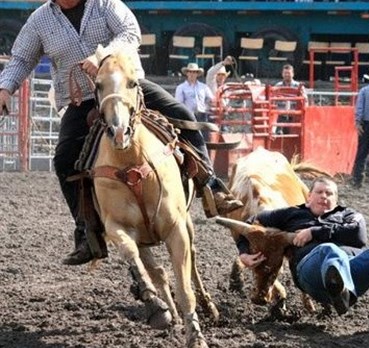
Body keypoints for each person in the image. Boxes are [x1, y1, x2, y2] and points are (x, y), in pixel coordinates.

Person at [0, 0, 242, 266]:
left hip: (126, 89)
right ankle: (86, 232)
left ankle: (211, 186)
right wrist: (4, 88)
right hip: (81, 100)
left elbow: (129, 32)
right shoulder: (40, 20)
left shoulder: (105, 4)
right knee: (64, 159)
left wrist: (101, 56)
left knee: (184, 116)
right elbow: (22, 58)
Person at [237, 177, 369, 315]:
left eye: (329, 194)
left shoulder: (348, 214)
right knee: (329, 249)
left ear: (336, 201)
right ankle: (341, 291)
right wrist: (244, 254)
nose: (324, 197)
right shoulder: (291, 213)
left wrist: (314, 232)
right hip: (310, 272)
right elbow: (247, 226)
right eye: (319, 192)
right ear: (308, 197)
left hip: (353, 269)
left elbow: (358, 234)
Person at [174, 63, 210, 140]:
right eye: (190, 72)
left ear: (197, 74)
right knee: (191, 138)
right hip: (188, 115)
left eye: (194, 72)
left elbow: (211, 99)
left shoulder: (203, 87)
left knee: (204, 138)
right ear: (187, 73)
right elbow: (179, 103)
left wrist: (206, 107)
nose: (192, 74)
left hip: (202, 115)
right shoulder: (181, 88)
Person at [273, 64, 308, 134]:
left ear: (293, 74)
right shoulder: (277, 86)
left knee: (294, 137)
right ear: (282, 74)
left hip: (294, 117)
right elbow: (273, 100)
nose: (287, 75)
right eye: (285, 73)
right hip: (281, 117)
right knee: (279, 138)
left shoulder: (299, 86)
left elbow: (305, 101)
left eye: (288, 73)